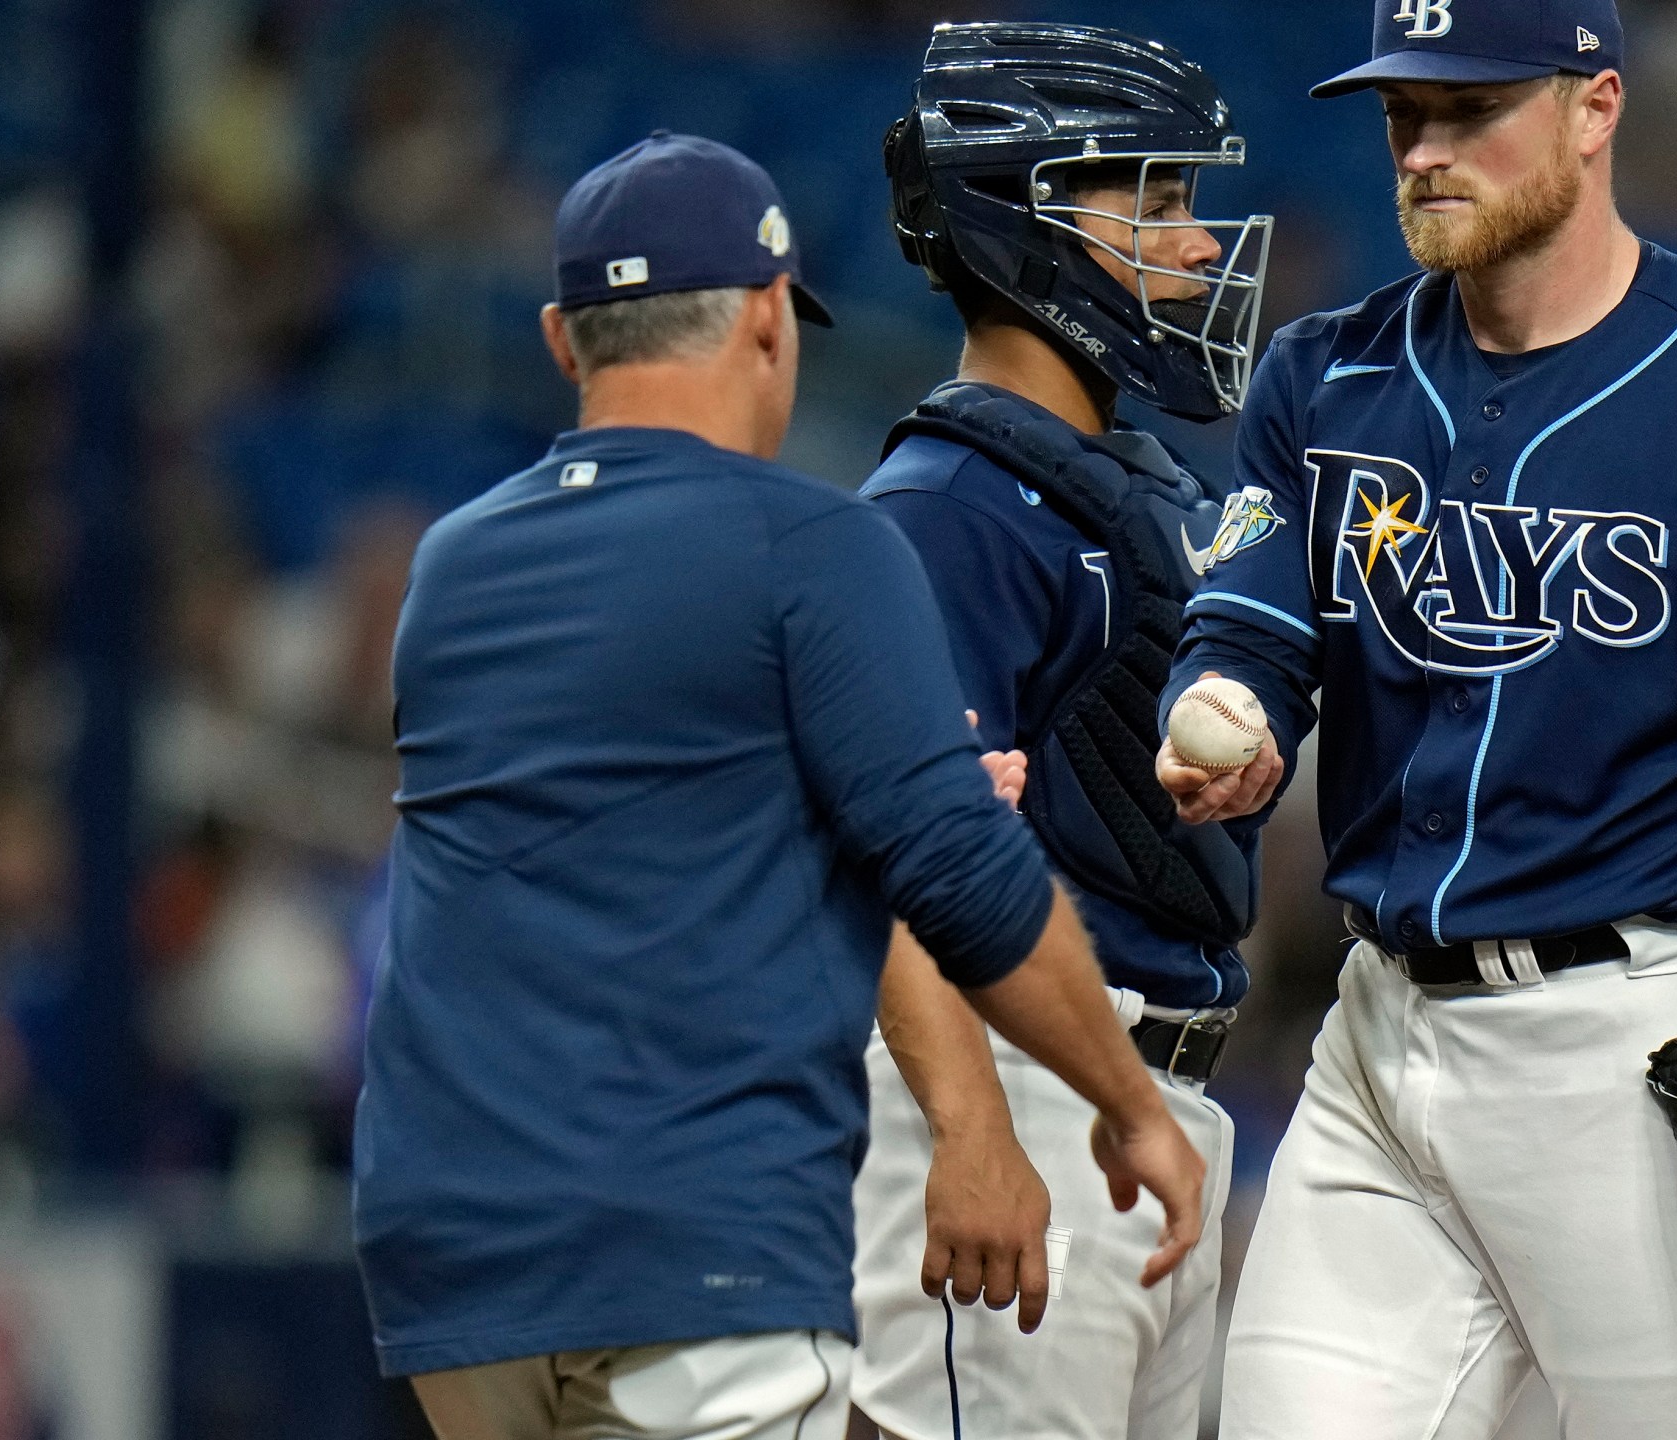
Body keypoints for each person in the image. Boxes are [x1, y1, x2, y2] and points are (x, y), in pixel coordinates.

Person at [1157, 3, 1677, 1435]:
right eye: (1403, 116)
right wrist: (1226, 707)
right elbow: (1247, 628)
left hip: (1640, 1044)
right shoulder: (1329, 377)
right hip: (1377, 1037)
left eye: (1472, 108)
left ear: (1594, 107)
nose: (1428, 151)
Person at [351, 131, 1206, 1440]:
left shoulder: (448, 570)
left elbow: (616, 814)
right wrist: (1129, 1103)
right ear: (766, 320)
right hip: (690, 1229)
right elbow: (964, 880)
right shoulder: (811, 546)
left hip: (450, 1249)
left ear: (562, 339)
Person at [846, 23, 1276, 1440]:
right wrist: (969, 1132)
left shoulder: (1121, 482)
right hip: (1016, 1095)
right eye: (1149, 205)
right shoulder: (944, 509)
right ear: (1019, 226)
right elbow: (900, 857)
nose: (1198, 245)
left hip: (1147, 1104)